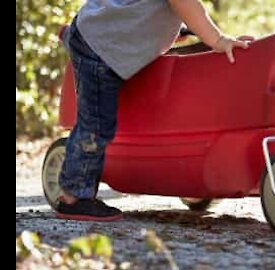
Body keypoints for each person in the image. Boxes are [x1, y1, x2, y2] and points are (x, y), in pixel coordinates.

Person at [56, 0, 251, 221]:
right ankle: (73, 195)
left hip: (110, 35)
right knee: (96, 124)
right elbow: (184, 4)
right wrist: (218, 39)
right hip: (98, 47)